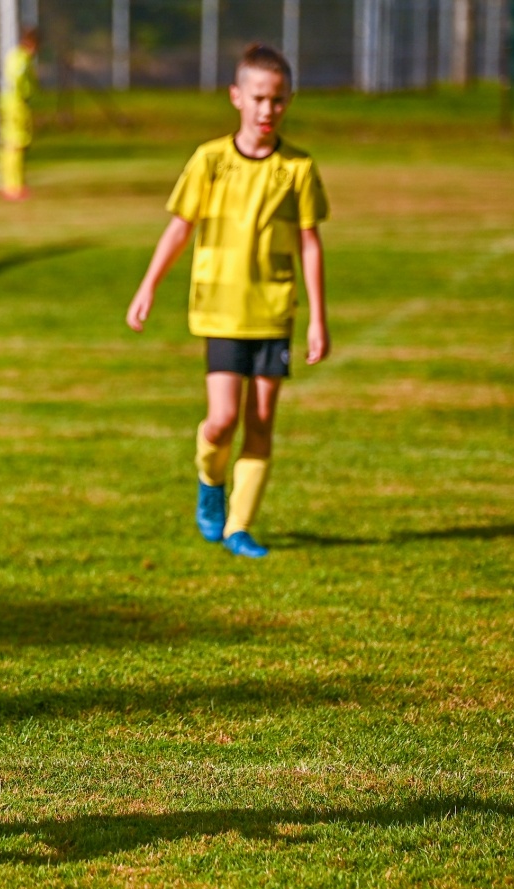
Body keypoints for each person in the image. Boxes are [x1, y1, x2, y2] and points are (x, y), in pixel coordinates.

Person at [126, 44, 330, 559]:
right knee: (221, 421)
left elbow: (310, 242)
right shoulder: (209, 160)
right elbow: (180, 227)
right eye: (259, 98)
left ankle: (239, 528)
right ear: (237, 97)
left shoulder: (298, 168)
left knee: (260, 422)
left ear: (288, 102)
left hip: (273, 311)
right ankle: (209, 480)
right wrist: (149, 285)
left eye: (278, 100)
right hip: (219, 309)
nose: (268, 110)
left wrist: (317, 319)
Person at [0, 27, 39, 201]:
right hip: (16, 105)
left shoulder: (16, 56)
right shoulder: (21, 59)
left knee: (11, 144)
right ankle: (12, 187)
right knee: (15, 145)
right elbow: (17, 79)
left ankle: (12, 184)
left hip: (11, 103)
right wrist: (23, 95)